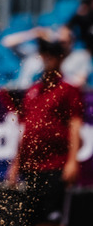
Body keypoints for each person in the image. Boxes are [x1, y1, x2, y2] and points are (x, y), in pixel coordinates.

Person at [6, 39, 83, 226]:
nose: (47, 59)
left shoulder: (68, 90)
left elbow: (75, 126)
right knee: (30, 218)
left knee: (51, 219)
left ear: (60, 59)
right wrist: (16, 163)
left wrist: (72, 161)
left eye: (52, 55)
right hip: (31, 165)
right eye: (44, 54)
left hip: (55, 165)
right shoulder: (33, 91)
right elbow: (24, 130)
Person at [2, 24, 92, 89]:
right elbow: (6, 42)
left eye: (64, 42)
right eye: (58, 41)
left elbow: (80, 82)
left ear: (72, 41)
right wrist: (35, 33)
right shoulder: (36, 53)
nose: (61, 45)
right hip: (24, 93)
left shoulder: (80, 56)